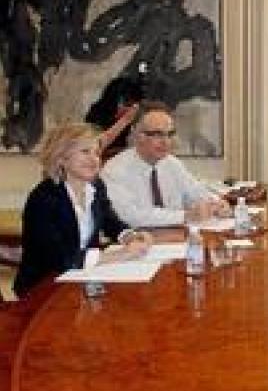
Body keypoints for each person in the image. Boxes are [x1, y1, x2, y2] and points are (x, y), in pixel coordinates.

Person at [13, 123, 151, 297]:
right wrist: (119, 255)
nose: (94, 159)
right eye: (85, 152)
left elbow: (109, 220)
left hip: (83, 279)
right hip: (43, 288)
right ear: (62, 158)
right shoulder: (43, 199)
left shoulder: (96, 186)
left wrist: (130, 236)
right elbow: (60, 259)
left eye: (97, 153)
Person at [101, 100, 229, 227]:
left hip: (177, 235)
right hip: (138, 237)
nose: (166, 142)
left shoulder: (172, 163)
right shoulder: (114, 170)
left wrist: (216, 203)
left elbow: (195, 192)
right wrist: (186, 216)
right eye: (157, 134)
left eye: (170, 134)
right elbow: (130, 216)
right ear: (136, 134)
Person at [85, 76, 145, 154]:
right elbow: (96, 145)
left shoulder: (130, 120)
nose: (131, 109)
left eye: (135, 104)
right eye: (128, 104)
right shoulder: (96, 114)